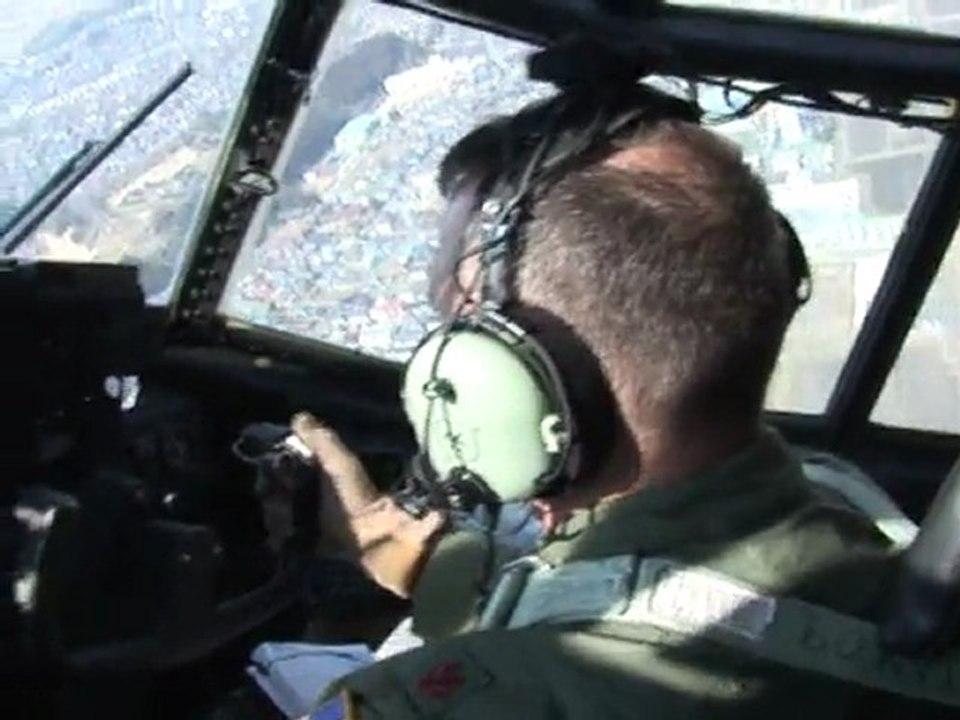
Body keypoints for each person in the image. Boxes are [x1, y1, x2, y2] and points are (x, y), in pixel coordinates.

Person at [285, 88, 958, 719]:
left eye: (460, 325)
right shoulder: (842, 514)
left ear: (517, 377)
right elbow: (657, 599)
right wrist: (430, 570)